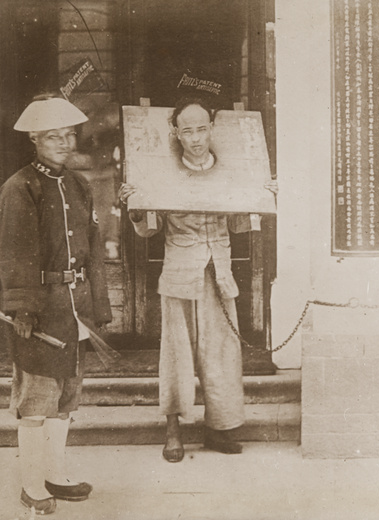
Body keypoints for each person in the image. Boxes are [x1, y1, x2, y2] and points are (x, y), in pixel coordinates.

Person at [119, 97, 277, 463]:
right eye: (187, 130)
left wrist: (260, 197)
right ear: (175, 133)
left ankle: (219, 427)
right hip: (179, 272)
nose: (195, 138)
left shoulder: (231, 168)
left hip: (219, 273)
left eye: (201, 128)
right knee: (177, 354)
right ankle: (173, 430)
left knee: (221, 353)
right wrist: (137, 208)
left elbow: (239, 225)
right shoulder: (160, 171)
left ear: (212, 129)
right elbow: (147, 231)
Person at [0, 94, 112, 514]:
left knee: (67, 396)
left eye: (68, 135)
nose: (64, 143)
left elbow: (93, 249)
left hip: (74, 308)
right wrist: (22, 309)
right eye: (53, 137)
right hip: (40, 310)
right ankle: (32, 485)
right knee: (37, 399)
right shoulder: (19, 187)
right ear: (34, 139)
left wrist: (97, 305)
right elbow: (14, 253)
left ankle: (55, 474)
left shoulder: (79, 184)